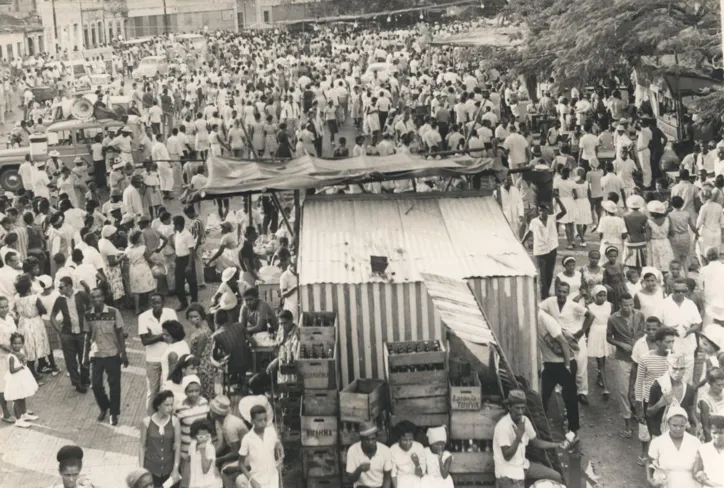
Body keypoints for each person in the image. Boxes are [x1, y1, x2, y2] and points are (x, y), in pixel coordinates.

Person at [493, 389, 565, 487]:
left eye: (522, 408)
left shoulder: (525, 421)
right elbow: (507, 456)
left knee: (556, 477)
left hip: (523, 465)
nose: (520, 412)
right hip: (508, 472)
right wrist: (518, 438)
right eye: (517, 408)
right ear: (509, 407)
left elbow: (536, 443)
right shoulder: (503, 426)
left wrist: (557, 445)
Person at [539, 281, 595, 404]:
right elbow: (539, 309)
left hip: (575, 338)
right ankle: (561, 390)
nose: (561, 294)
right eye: (559, 291)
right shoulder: (550, 301)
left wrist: (581, 332)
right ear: (555, 291)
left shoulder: (573, 305)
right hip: (560, 338)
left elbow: (591, 315)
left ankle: (582, 392)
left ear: (568, 293)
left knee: (580, 365)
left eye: (564, 291)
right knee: (562, 364)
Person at [84, 287, 127, 426]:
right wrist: (85, 356)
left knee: (114, 385)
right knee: (96, 385)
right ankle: (104, 407)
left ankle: (114, 413)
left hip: (112, 353)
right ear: (91, 300)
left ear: (103, 297)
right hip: (96, 354)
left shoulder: (114, 312)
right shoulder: (87, 315)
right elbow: (87, 335)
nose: (97, 300)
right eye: (94, 297)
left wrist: (123, 353)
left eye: (99, 297)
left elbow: (120, 333)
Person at [138, 293, 178, 412]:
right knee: (152, 391)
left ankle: (168, 416)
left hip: (169, 357)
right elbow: (145, 341)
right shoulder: (143, 317)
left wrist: (153, 336)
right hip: (152, 359)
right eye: (153, 303)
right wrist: (162, 335)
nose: (155, 305)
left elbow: (175, 334)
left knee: (169, 388)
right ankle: (151, 418)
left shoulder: (170, 313)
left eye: (158, 302)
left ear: (163, 303)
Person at [50, 276, 91, 394]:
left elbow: (90, 309)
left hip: (82, 333)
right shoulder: (60, 300)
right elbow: (52, 316)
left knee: (84, 358)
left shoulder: (81, 295)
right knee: (70, 360)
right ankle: (77, 383)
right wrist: (59, 331)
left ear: (69, 286)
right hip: (67, 334)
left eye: (61, 287)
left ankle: (84, 379)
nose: (59, 289)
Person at [521, 199, 567, 299]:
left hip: (552, 249)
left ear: (548, 211)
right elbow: (529, 232)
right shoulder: (534, 221)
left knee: (549, 273)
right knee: (542, 275)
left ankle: (546, 293)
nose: (543, 212)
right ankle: (544, 296)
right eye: (541, 211)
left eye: (545, 210)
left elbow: (564, 211)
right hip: (539, 251)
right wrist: (522, 242)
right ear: (538, 211)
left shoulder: (552, 218)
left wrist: (558, 200)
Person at [647, 405, 701, 488]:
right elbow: (649, 462)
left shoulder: (695, 442)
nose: (678, 429)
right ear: (668, 423)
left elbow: (702, 466)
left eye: (682, 426)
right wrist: (650, 479)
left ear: (686, 424)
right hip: (667, 484)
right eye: (674, 425)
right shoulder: (658, 442)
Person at [647, 353, 697, 437]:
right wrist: (660, 403)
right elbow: (649, 413)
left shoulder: (689, 389)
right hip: (660, 433)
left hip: (681, 433)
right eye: (674, 368)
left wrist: (696, 425)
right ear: (668, 367)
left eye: (681, 369)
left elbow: (690, 411)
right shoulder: (659, 386)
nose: (678, 372)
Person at [140, 390, 181, 487]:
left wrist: (175, 469)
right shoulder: (146, 422)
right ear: (158, 406)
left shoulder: (175, 422)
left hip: (169, 470)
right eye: (166, 405)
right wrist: (141, 470)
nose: (170, 408)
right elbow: (142, 446)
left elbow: (178, 446)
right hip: (151, 470)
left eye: (171, 405)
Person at [176, 375, 211, 487]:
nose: (194, 394)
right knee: (187, 482)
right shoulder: (179, 407)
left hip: (203, 450)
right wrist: (181, 453)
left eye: (196, 390)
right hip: (186, 452)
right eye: (190, 391)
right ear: (185, 391)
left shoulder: (205, 402)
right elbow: (175, 432)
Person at [237, 404, 282, 488]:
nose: (263, 422)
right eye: (260, 420)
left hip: (273, 480)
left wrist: (279, 448)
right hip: (257, 481)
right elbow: (241, 464)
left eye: (265, 419)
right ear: (252, 421)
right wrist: (252, 481)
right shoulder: (247, 439)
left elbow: (277, 446)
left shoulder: (271, 432)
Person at [208, 395, 248, 488]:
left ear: (214, 412)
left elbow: (235, 452)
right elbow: (224, 444)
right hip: (242, 453)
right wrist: (212, 455)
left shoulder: (230, 426)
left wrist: (218, 460)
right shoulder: (224, 421)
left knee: (225, 471)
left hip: (247, 456)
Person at [4, 332, 39, 428]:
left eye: (19, 343)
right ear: (11, 344)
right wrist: (21, 367)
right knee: (16, 399)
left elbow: (23, 361)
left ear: (22, 344)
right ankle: (18, 420)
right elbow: (11, 370)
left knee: (22, 396)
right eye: (15, 343)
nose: (17, 345)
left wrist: (24, 362)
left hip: (21, 378)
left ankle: (24, 414)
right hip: (15, 379)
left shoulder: (21, 352)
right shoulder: (11, 356)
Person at [346, 420, 393, 488]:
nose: (371, 442)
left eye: (373, 439)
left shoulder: (385, 450)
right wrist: (359, 470)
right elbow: (350, 479)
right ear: (361, 439)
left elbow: (387, 478)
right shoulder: (352, 450)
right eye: (367, 440)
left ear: (376, 438)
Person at [587, 285, 613, 396]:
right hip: (596, 333)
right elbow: (587, 323)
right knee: (601, 361)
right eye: (599, 295)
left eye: (604, 295)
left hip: (606, 333)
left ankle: (599, 375)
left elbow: (613, 320)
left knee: (604, 359)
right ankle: (606, 388)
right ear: (594, 296)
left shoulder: (610, 305)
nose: (602, 298)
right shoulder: (590, 307)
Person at [188, 418, 223, 488]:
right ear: (195, 436)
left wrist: (202, 451)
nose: (204, 439)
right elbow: (190, 462)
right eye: (201, 437)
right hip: (195, 484)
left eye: (207, 436)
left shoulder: (210, 448)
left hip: (209, 484)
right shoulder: (192, 445)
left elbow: (205, 470)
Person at [390, 420, 426, 488]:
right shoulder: (393, 449)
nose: (408, 443)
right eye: (404, 440)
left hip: (417, 479)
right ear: (399, 439)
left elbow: (421, 474)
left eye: (410, 439)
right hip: (400, 480)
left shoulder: (419, 447)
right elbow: (393, 474)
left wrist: (417, 463)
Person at [173, 215, 198, 311]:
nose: (173, 226)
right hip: (179, 260)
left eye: (174, 225)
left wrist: (189, 265)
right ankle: (183, 302)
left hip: (187, 260)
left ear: (179, 225)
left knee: (192, 282)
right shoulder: (177, 233)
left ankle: (194, 302)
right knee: (178, 283)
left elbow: (192, 251)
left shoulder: (187, 235)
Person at [693, 414, 724, 486]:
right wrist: (714, 485)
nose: (717, 436)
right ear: (709, 431)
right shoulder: (703, 449)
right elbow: (696, 472)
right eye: (714, 433)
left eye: (721, 433)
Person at [161, 320, 191, 388]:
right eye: (163, 334)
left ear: (175, 335)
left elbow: (171, 374)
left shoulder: (173, 353)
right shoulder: (183, 343)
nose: (164, 337)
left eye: (167, 335)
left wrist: (165, 387)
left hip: (172, 385)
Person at [0, 295, 16, 422]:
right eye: (1, 307)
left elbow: (15, 335)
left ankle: (19, 409)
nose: (4, 309)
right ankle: (5, 413)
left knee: (15, 381)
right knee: (2, 385)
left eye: (6, 306)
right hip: (2, 357)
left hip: (12, 354)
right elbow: (1, 343)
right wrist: (14, 351)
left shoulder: (10, 318)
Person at [699, 368, 724, 443]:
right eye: (718, 385)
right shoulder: (704, 400)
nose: (721, 388)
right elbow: (706, 427)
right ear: (709, 383)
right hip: (716, 436)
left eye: (723, 384)